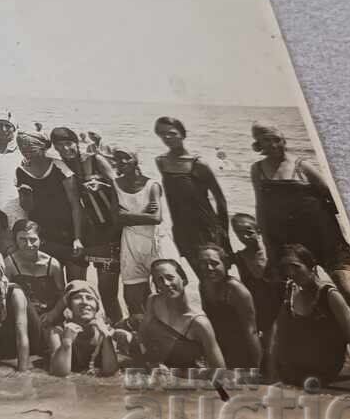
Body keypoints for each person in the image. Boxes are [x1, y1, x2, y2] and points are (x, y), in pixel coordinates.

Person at [249, 122, 350, 385]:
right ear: (258, 144)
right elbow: (262, 210)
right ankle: (284, 367)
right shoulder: (257, 170)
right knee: (283, 301)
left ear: (283, 139)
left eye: (276, 139)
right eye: (265, 141)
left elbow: (335, 197)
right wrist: (272, 252)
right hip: (294, 248)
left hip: (326, 241)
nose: (273, 145)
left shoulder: (302, 166)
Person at [270, 245, 350, 398]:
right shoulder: (290, 293)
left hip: (324, 372)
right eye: (287, 269)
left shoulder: (329, 295)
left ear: (311, 267)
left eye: (296, 267)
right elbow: (280, 335)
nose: (292, 274)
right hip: (295, 371)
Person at [53, 126, 121, 309]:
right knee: (76, 290)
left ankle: (116, 332)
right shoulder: (61, 167)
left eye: (69, 144)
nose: (65, 149)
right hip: (80, 235)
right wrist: (76, 237)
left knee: (107, 294)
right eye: (59, 146)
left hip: (107, 233)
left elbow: (120, 189)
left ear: (76, 142)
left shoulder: (94, 160)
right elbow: (73, 204)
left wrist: (102, 187)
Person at [111, 147, 180, 319]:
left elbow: (156, 218)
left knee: (169, 292)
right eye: (118, 159)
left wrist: (127, 215)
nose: (122, 162)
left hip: (157, 242)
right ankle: (145, 336)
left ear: (136, 160)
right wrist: (143, 215)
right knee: (133, 298)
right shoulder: (115, 185)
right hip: (131, 243)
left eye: (126, 158)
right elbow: (116, 219)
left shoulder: (152, 185)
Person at [153, 116, 231, 263]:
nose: (167, 137)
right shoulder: (161, 162)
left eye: (172, 133)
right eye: (162, 134)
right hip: (181, 228)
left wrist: (224, 235)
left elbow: (220, 200)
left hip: (206, 227)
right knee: (199, 272)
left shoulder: (198, 163)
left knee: (216, 273)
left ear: (182, 134)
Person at [15, 131, 84, 279]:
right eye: (22, 149)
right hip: (44, 237)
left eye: (31, 149)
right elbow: (28, 209)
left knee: (76, 282)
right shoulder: (21, 171)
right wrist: (26, 196)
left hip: (68, 234)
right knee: (52, 285)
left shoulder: (59, 167)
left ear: (43, 147)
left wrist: (78, 238)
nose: (26, 153)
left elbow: (75, 205)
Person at [138, 259, 226, 371]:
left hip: (190, 379)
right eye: (159, 280)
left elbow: (220, 371)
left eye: (170, 277)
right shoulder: (153, 301)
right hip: (158, 370)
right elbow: (142, 335)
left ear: (184, 280)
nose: (166, 283)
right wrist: (149, 359)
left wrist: (172, 373)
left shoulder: (199, 323)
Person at [193, 244, 261, 370]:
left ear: (225, 264)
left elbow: (251, 330)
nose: (209, 268)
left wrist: (258, 366)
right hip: (219, 348)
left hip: (241, 350)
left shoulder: (236, 289)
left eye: (214, 263)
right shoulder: (203, 284)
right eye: (203, 263)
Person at [230, 213, 282, 357]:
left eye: (249, 232)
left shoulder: (272, 251)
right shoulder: (239, 257)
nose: (245, 237)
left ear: (258, 230)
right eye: (239, 234)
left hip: (282, 308)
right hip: (261, 313)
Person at [45, 282, 119, 377]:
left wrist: (106, 337)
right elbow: (59, 373)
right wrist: (66, 343)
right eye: (77, 297)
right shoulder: (57, 332)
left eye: (89, 298)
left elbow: (110, 372)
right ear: (70, 305)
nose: (84, 302)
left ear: (96, 306)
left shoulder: (106, 330)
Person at [3, 220, 68, 325]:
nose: (29, 244)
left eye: (33, 239)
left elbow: (63, 294)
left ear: (41, 240)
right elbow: (3, 294)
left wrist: (53, 314)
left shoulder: (53, 264)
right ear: (15, 240)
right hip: (21, 317)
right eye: (23, 239)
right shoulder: (9, 263)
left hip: (47, 317)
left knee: (54, 339)